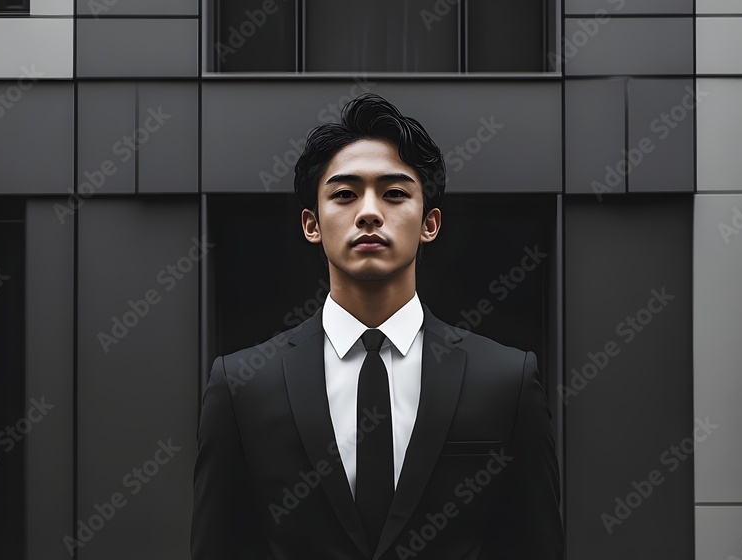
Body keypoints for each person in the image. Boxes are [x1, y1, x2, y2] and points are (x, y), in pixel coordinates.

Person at [191, 93, 564, 559]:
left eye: (395, 193)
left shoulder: (506, 380)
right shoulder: (242, 385)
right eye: (344, 194)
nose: (369, 212)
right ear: (311, 224)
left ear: (430, 223)